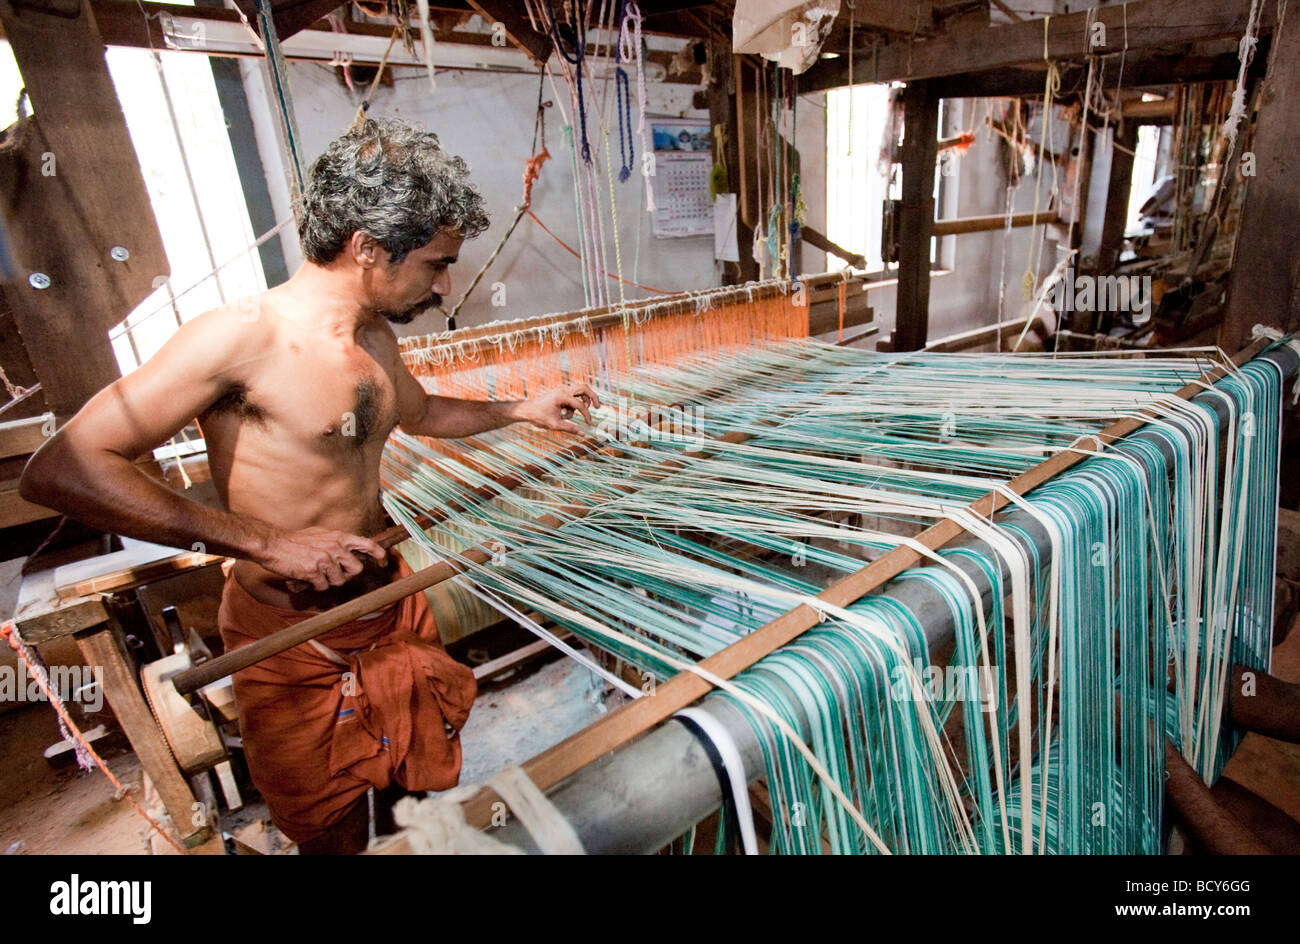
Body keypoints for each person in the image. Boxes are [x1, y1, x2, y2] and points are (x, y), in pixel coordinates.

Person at [20, 117, 601, 853]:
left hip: (389, 608)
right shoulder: (238, 339)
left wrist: (521, 408)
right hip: (291, 638)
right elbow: (63, 468)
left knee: (418, 798)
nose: (444, 283)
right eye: (434, 263)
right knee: (328, 828)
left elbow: (419, 413)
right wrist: (269, 543)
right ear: (366, 248)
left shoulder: (373, 338)